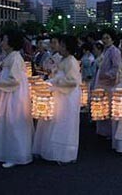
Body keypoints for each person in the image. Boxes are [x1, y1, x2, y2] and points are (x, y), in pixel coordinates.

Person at [0, 30, 33, 168]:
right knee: (7, 122)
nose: (2, 43)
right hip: (7, 93)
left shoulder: (15, 57)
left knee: (13, 122)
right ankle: (6, 152)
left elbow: (14, 80)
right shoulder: (10, 56)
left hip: (13, 95)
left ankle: (16, 155)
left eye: (4, 40)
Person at [33, 35, 81, 163]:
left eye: (63, 45)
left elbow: (73, 82)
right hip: (60, 93)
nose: (60, 47)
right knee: (55, 121)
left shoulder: (71, 61)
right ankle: (52, 151)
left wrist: (55, 81)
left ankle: (64, 153)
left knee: (64, 122)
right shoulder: (63, 60)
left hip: (67, 95)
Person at [94, 30, 121, 138]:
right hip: (101, 81)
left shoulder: (114, 51)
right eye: (104, 38)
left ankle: (109, 132)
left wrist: (108, 75)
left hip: (109, 83)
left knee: (108, 107)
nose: (105, 40)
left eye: (107, 38)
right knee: (101, 106)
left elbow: (116, 67)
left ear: (112, 39)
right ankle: (102, 131)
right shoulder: (105, 51)